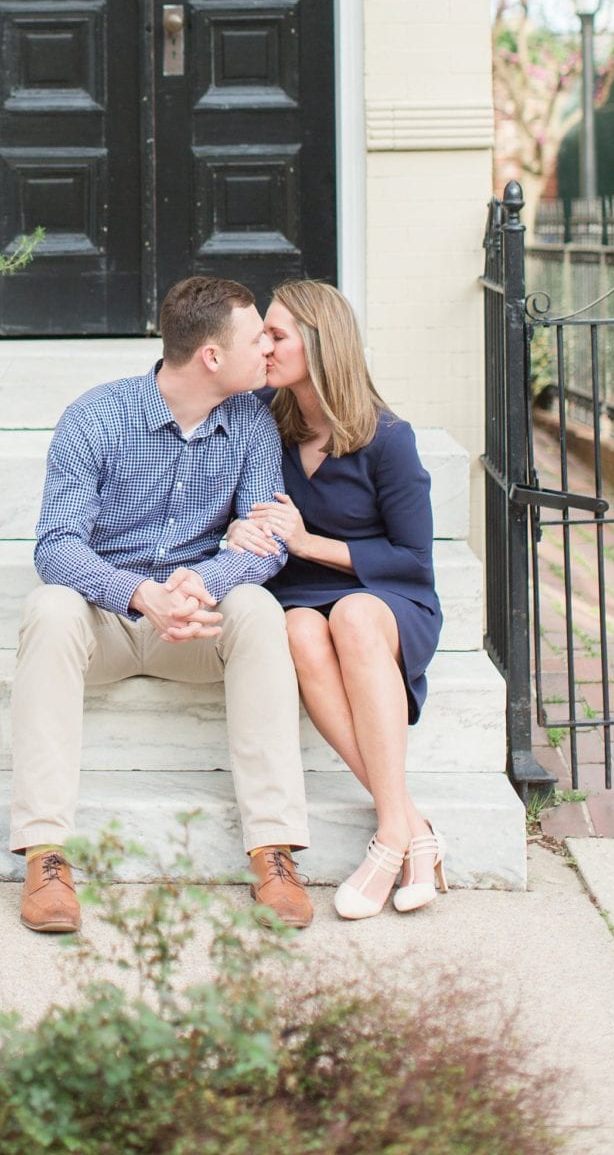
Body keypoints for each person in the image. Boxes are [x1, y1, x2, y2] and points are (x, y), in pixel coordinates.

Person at [10, 275, 311, 936]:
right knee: (51, 607)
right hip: (111, 621)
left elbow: (265, 545)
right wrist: (141, 594)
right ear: (212, 356)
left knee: (259, 609)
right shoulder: (97, 417)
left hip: (195, 624)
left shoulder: (253, 424)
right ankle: (45, 854)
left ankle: (274, 850)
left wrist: (202, 582)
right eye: (255, 333)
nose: (266, 344)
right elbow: (57, 546)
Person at [226, 280, 444, 920]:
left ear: (319, 345)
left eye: (277, 334)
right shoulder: (265, 417)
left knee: (350, 615)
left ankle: (388, 839)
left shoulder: (387, 439)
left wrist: (309, 543)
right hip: (301, 597)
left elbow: (413, 559)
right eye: (263, 332)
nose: (264, 345)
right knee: (295, 628)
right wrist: (238, 528)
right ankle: (411, 824)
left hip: (385, 597)